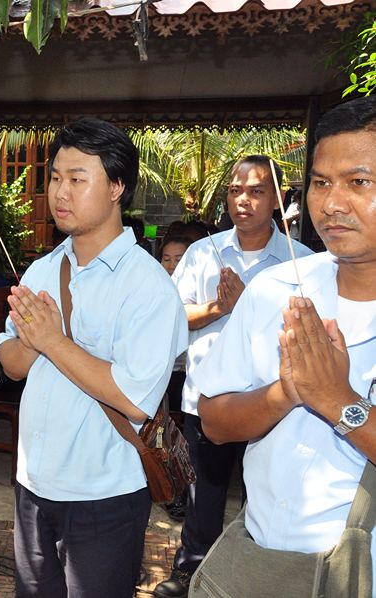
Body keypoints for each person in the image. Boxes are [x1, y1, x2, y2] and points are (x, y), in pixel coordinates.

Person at [0, 118, 188, 598]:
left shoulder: (147, 285)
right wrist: (31, 341)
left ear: (117, 187)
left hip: (104, 493)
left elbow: (135, 398)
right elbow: (11, 364)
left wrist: (52, 340)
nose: (61, 192)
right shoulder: (43, 269)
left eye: (78, 179)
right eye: (55, 178)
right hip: (33, 484)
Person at [194, 95, 376, 593]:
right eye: (321, 183)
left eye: (359, 182)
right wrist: (288, 392)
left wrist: (339, 402)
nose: (332, 204)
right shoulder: (276, 289)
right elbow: (213, 421)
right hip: (262, 559)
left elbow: (335, 400)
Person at [152, 155, 315, 598]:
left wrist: (248, 308)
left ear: (277, 198)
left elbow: (307, 333)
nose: (243, 200)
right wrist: (218, 309)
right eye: (235, 191)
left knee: (262, 495)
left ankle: (253, 578)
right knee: (203, 493)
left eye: (256, 191)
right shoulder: (203, 253)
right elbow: (171, 317)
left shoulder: (300, 263)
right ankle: (190, 573)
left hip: (274, 402)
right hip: (209, 400)